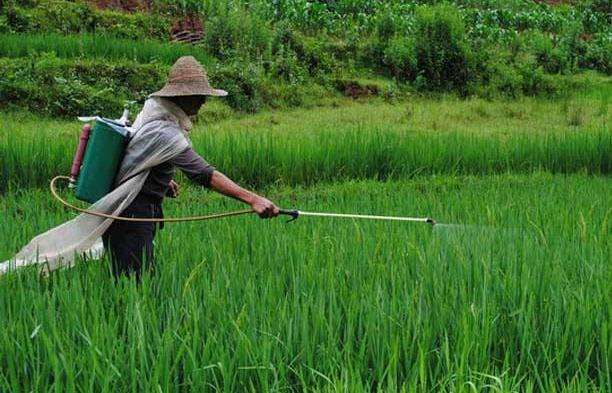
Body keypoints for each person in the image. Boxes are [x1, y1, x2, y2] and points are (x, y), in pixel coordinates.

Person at [102, 56, 279, 279]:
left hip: (133, 212)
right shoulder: (163, 130)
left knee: (136, 280)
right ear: (181, 96)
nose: (203, 101)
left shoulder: (154, 116)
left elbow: (138, 159)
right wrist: (253, 199)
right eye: (199, 96)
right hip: (130, 215)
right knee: (135, 284)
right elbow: (203, 173)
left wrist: (161, 181)